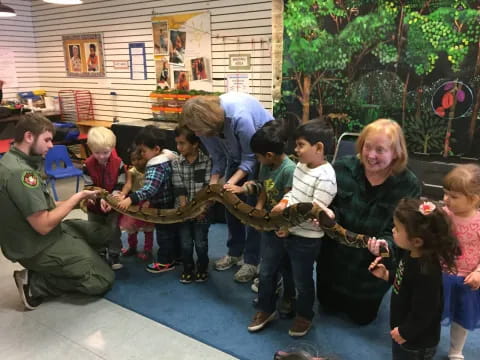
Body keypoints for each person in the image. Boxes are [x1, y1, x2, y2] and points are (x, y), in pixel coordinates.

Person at [0, 113, 114, 310]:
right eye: (47, 140)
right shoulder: (21, 174)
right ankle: (35, 284)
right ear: (29, 137)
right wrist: (76, 198)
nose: (51, 146)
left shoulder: (16, 161)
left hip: (48, 232)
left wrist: (83, 199)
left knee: (104, 234)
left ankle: (77, 262)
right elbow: (43, 225)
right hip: (37, 245)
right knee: (102, 278)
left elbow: (47, 205)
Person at [316, 118, 422, 325]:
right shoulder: (341, 169)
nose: (371, 155)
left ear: (396, 153)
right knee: (326, 305)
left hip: (368, 274)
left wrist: (386, 246)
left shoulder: (409, 186)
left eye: (380, 150)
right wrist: (328, 215)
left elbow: (401, 229)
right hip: (333, 263)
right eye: (367, 147)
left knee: (361, 318)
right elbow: (331, 204)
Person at [247, 121, 336, 337]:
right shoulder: (300, 166)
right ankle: (265, 309)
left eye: (300, 145)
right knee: (267, 271)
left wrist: (286, 225)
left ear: (319, 148)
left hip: (305, 239)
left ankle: (304, 316)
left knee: (301, 281)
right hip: (284, 229)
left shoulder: (326, 177)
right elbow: (294, 194)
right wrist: (284, 202)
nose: (295, 150)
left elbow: (312, 212)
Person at [181, 93, 274, 283]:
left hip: (260, 155)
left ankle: (252, 260)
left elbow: (250, 158)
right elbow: (218, 157)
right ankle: (235, 252)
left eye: (197, 129)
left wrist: (230, 184)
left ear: (207, 121)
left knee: (250, 209)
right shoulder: (204, 129)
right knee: (230, 207)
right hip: (236, 157)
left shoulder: (240, 117)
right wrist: (214, 184)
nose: (196, 134)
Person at [369, 198, 460, 360]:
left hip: (416, 341)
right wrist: (387, 275)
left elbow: (427, 310)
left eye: (397, 228)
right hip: (404, 330)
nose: (393, 230)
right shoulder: (411, 253)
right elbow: (404, 281)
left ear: (417, 241)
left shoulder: (426, 272)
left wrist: (406, 332)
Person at [116, 125, 178, 273]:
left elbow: (150, 188)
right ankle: (176, 255)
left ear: (156, 149)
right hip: (171, 202)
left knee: (163, 234)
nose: (142, 155)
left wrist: (131, 198)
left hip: (161, 206)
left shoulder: (156, 165)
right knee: (172, 232)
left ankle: (165, 262)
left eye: (143, 151)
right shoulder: (169, 158)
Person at [441, 164, 480, 360]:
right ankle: (425, 340)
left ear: (473, 200)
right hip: (441, 274)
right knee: (434, 310)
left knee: (462, 319)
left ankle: (456, 351)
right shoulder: (444, 215)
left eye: (453, 196)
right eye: (445, 193)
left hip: (467, 280)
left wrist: (479, 272)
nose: (446, 199)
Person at [172, 125, 212, 283]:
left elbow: (207, 188)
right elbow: (178, 187)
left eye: (182, 143)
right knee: (186, 243)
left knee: (201, 243)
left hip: (203, 211)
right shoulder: (176, 163)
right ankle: (188, 268)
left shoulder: (207, 161)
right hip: (183, 211)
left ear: (195, 144)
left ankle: (202, 267)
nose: (178, 147)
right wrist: (186, 210)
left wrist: (201, 209)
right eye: (177, 143)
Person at [83, 127, 126, 270]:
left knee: (113, 230)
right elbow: (89, 186)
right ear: (90, 149)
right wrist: (96, 197)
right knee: (95, 230)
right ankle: (99, 255)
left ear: (112, 148)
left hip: (112, 206)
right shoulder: (87, 164)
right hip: (94, 206)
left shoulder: (118, 162)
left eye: (105, 152)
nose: (101, 156)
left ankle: (114, 255)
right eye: (97, 153)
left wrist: (111, 198)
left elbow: (120, 183)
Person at [117, 148, 155, 262]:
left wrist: (149, 201)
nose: (136, 162)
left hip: (148, 201)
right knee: (131, 227)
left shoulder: (151, 170)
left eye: (139, 159)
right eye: (133, 160)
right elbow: (128, 185)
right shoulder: (131, 171)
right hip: (134, 201)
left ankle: (148, 250)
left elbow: (152, 187)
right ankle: (132, 247)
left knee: (149, 228)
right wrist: (123, 194)